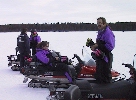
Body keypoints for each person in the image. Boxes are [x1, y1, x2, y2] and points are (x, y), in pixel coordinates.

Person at [87, 17, 115, 83]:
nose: (98, 25)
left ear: (104, 23)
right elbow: (100, 44)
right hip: (100, 57)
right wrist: (92, 45)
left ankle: (107, 92)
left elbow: (110, 46)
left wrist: (97, 46)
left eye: (100, 23)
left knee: (105, 77)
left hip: (106, 58)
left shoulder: (108, 33)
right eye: (97, 23)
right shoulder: (100, 32)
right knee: (99, 75)